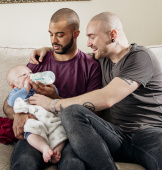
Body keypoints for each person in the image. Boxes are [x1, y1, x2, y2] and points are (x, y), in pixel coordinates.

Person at [29, 12, 162, 170]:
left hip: (153, 135)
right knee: (72, 112)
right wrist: (50, 50)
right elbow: (75, 55)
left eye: (92, 37)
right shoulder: (102, 59)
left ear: (112, 35)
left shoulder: (140, 57)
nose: (88, 43)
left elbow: (107, 98)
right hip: (118, 136)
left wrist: (53, 103)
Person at [3, 8, 102, 170]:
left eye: (60, 35)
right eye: (51, 34)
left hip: (69, 133)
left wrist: (55, 100)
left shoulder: (91, 67)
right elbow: (10, 102)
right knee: (24, 163)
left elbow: (95, 115)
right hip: (37, 129)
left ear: (76, 34)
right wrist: (19, 114)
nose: (53, 40)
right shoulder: (38, 62)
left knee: (73, 165)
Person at [6, 65, 66, 163]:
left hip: (49, 117)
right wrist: (25, 89)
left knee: (60, 129)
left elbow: (55, 95)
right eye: (24, 75)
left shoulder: (37, 86)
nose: (29, 76)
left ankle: (56, 151)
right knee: (31, 129)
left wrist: (50, 89)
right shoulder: (16, 92)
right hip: (33, 118)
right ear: (13, 86)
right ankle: (44, 148)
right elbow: (12, 102)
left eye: (30, 73)